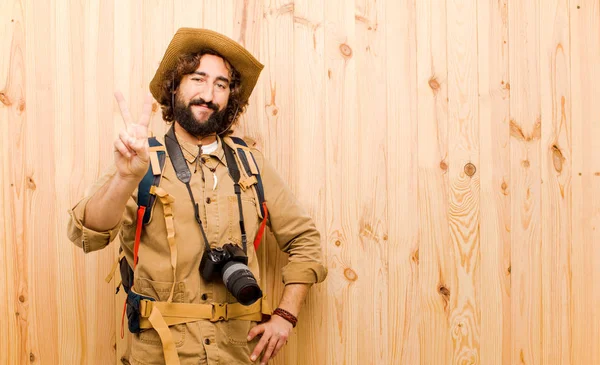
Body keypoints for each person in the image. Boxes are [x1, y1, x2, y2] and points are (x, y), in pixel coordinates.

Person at [67, 28, 327, 365]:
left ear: (229, 98)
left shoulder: (251, 164)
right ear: (175, 86)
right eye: (197, 79)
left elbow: (306, 241)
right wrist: (125, 177)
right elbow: (86, 234)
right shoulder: (143, 159)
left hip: (238, 354)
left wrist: (286, 315)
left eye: (221, 85)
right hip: (160, 354)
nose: (208, 94)